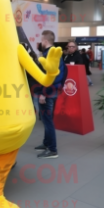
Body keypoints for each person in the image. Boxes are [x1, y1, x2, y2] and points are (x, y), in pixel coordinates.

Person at [34, 30, 65, 158]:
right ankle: (47, 143)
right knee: (48, 119)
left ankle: (52, 150)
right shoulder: (56, 54)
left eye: (41, 40)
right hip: (54, 91)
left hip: (47, 93)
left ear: (45, 41)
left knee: (47, 122)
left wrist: (44, 94)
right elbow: (63, 72)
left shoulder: (49, 55)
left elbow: (49, 77)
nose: (41, 42)